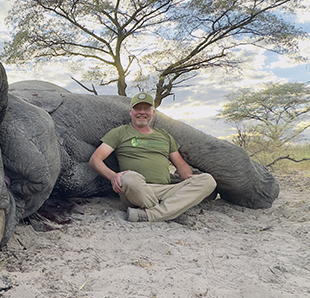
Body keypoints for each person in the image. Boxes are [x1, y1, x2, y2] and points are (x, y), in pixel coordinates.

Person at [88, 92, 216, 223]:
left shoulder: (164, 136)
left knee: (208, 180)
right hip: (137, 189)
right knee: (128, 177)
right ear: (130, 112)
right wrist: (113, 176)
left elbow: (181, 164)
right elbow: (95, 159)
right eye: (137, 108)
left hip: (166, 190)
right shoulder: (119, 132)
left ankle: (151, 214)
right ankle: (170, 212)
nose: (142, 112)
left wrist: (188, 177)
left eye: (146, 109)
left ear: (153, 113)